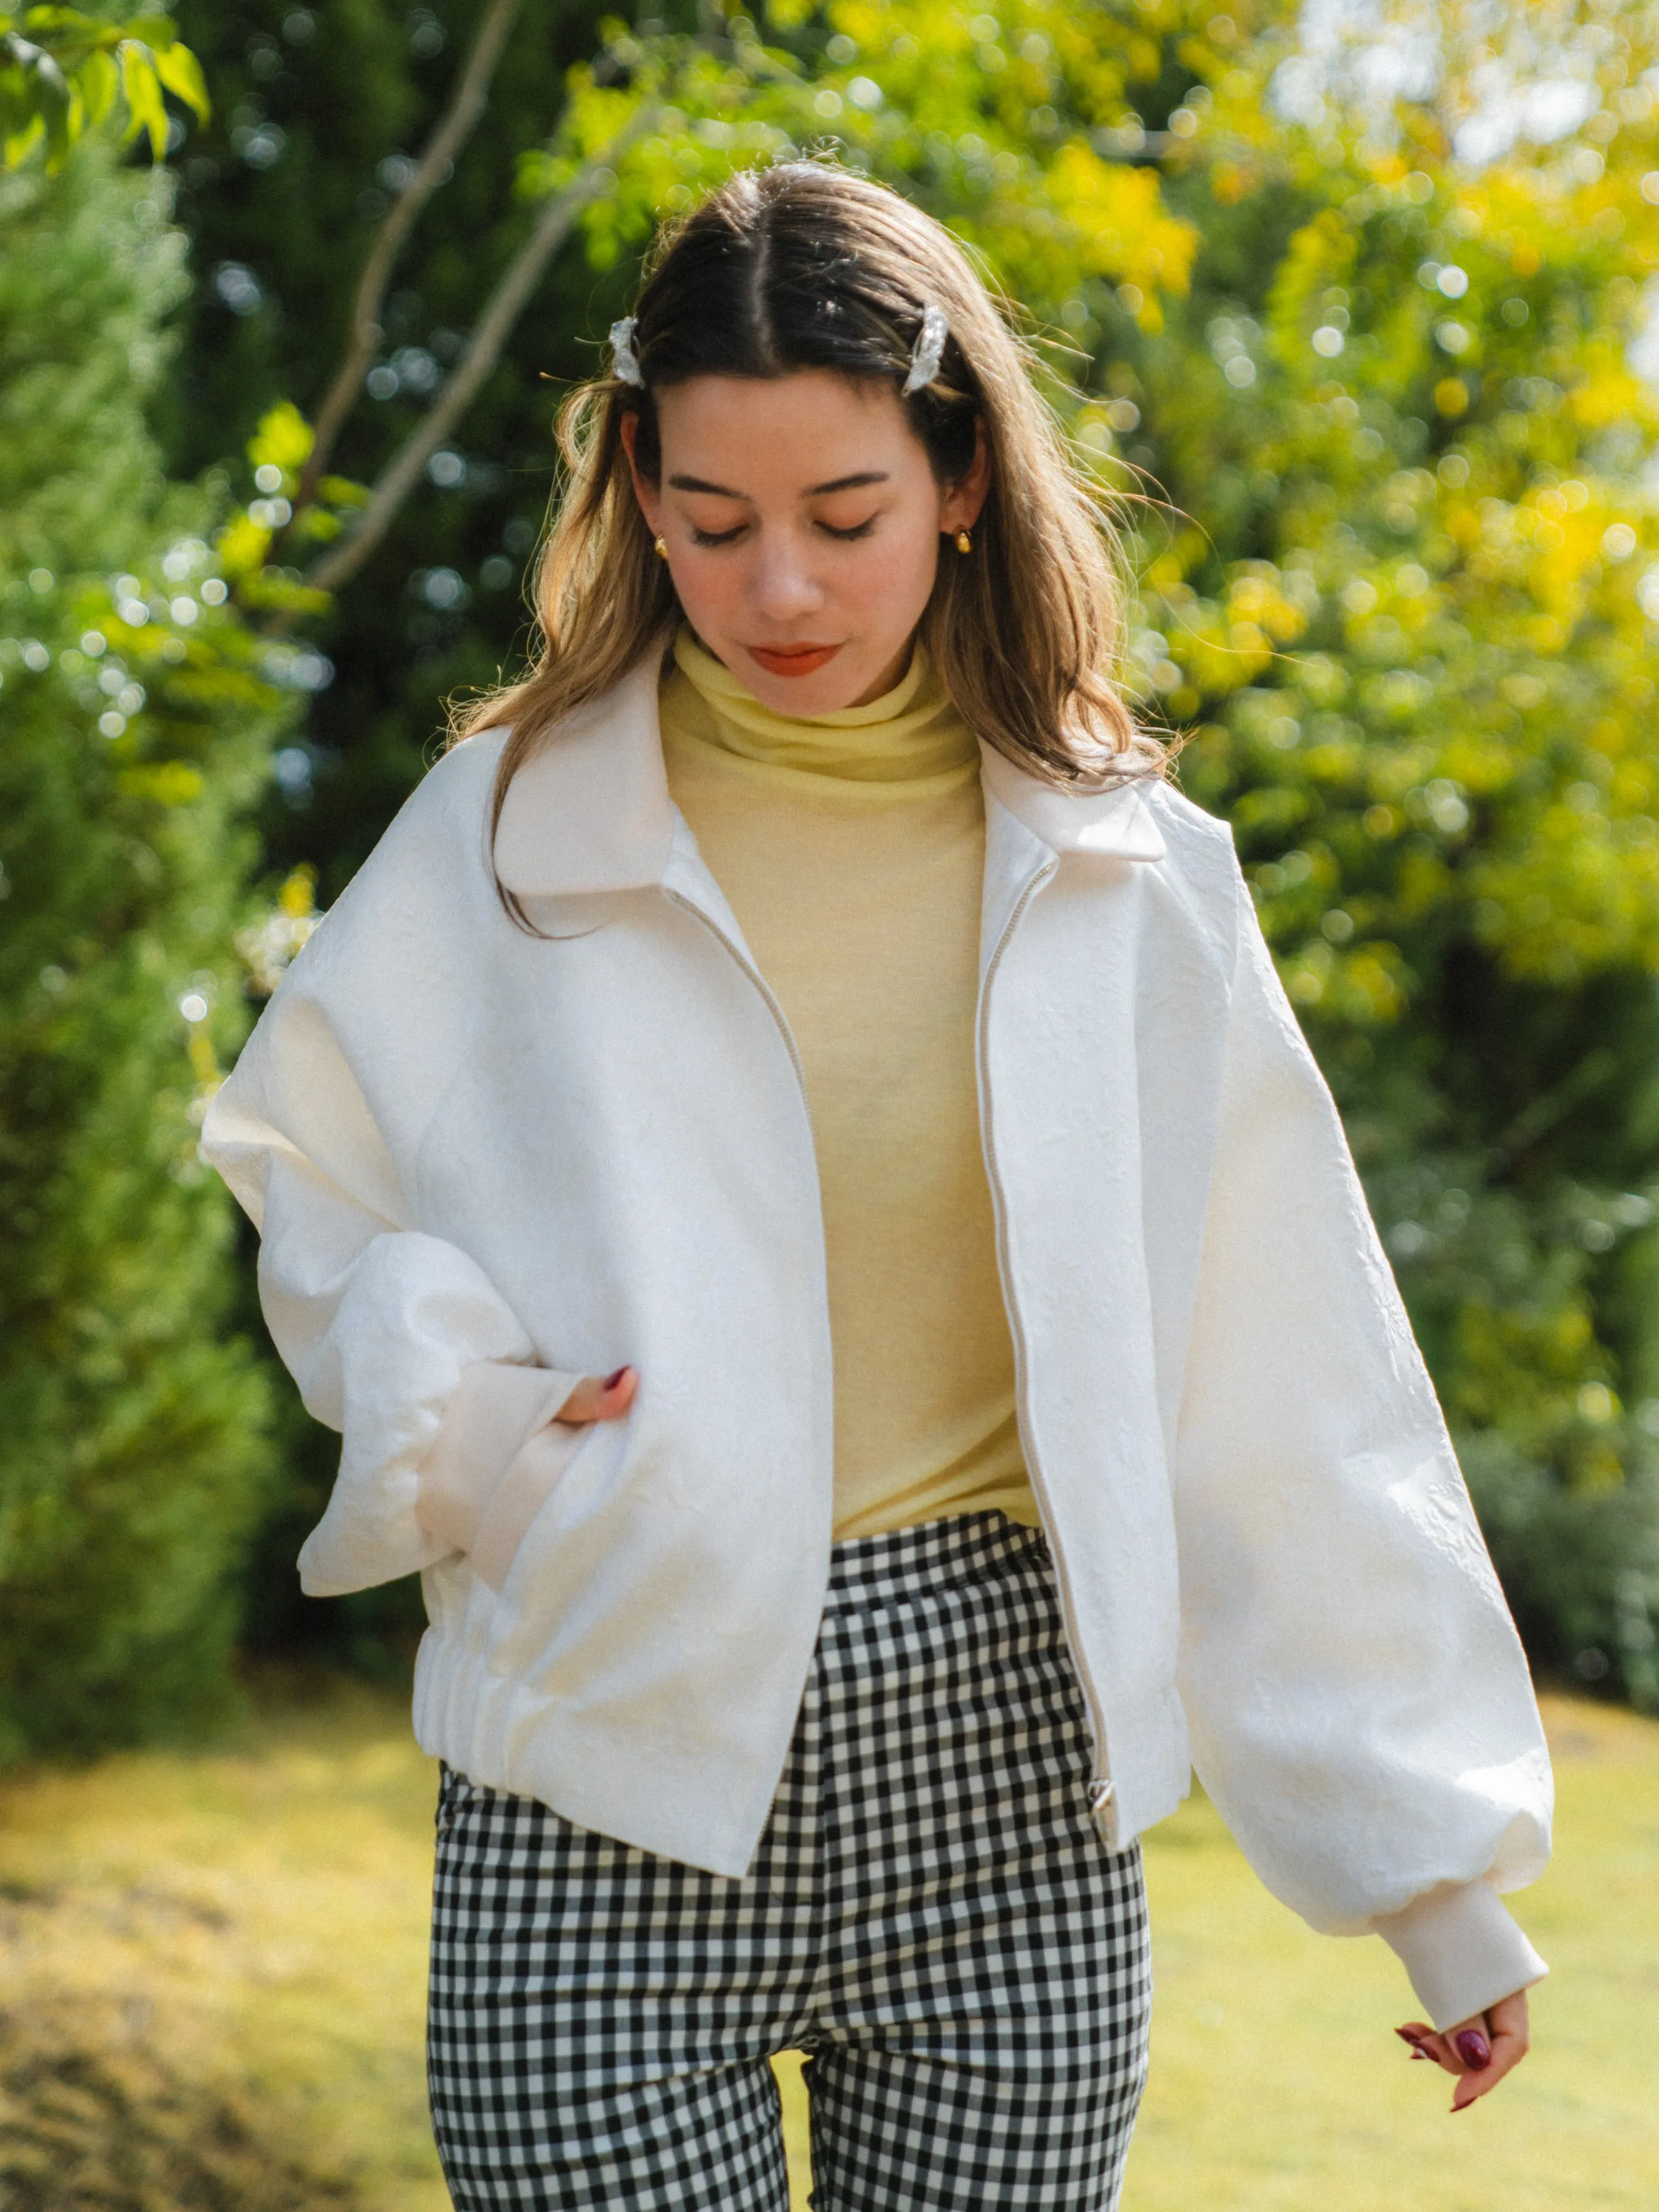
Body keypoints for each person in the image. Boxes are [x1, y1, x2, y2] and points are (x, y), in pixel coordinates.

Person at [200, 159, 1552, 2212]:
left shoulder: (1133, 883)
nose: (784, 594)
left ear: (959, 481)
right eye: (717, 523)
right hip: (598, 1791)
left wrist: (1430, 1877)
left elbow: (1281, 1368)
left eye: (844, 518)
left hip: (1009, 1821)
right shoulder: (502, 832)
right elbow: (308, 1166)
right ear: (641, 494)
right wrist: (464, 1432)